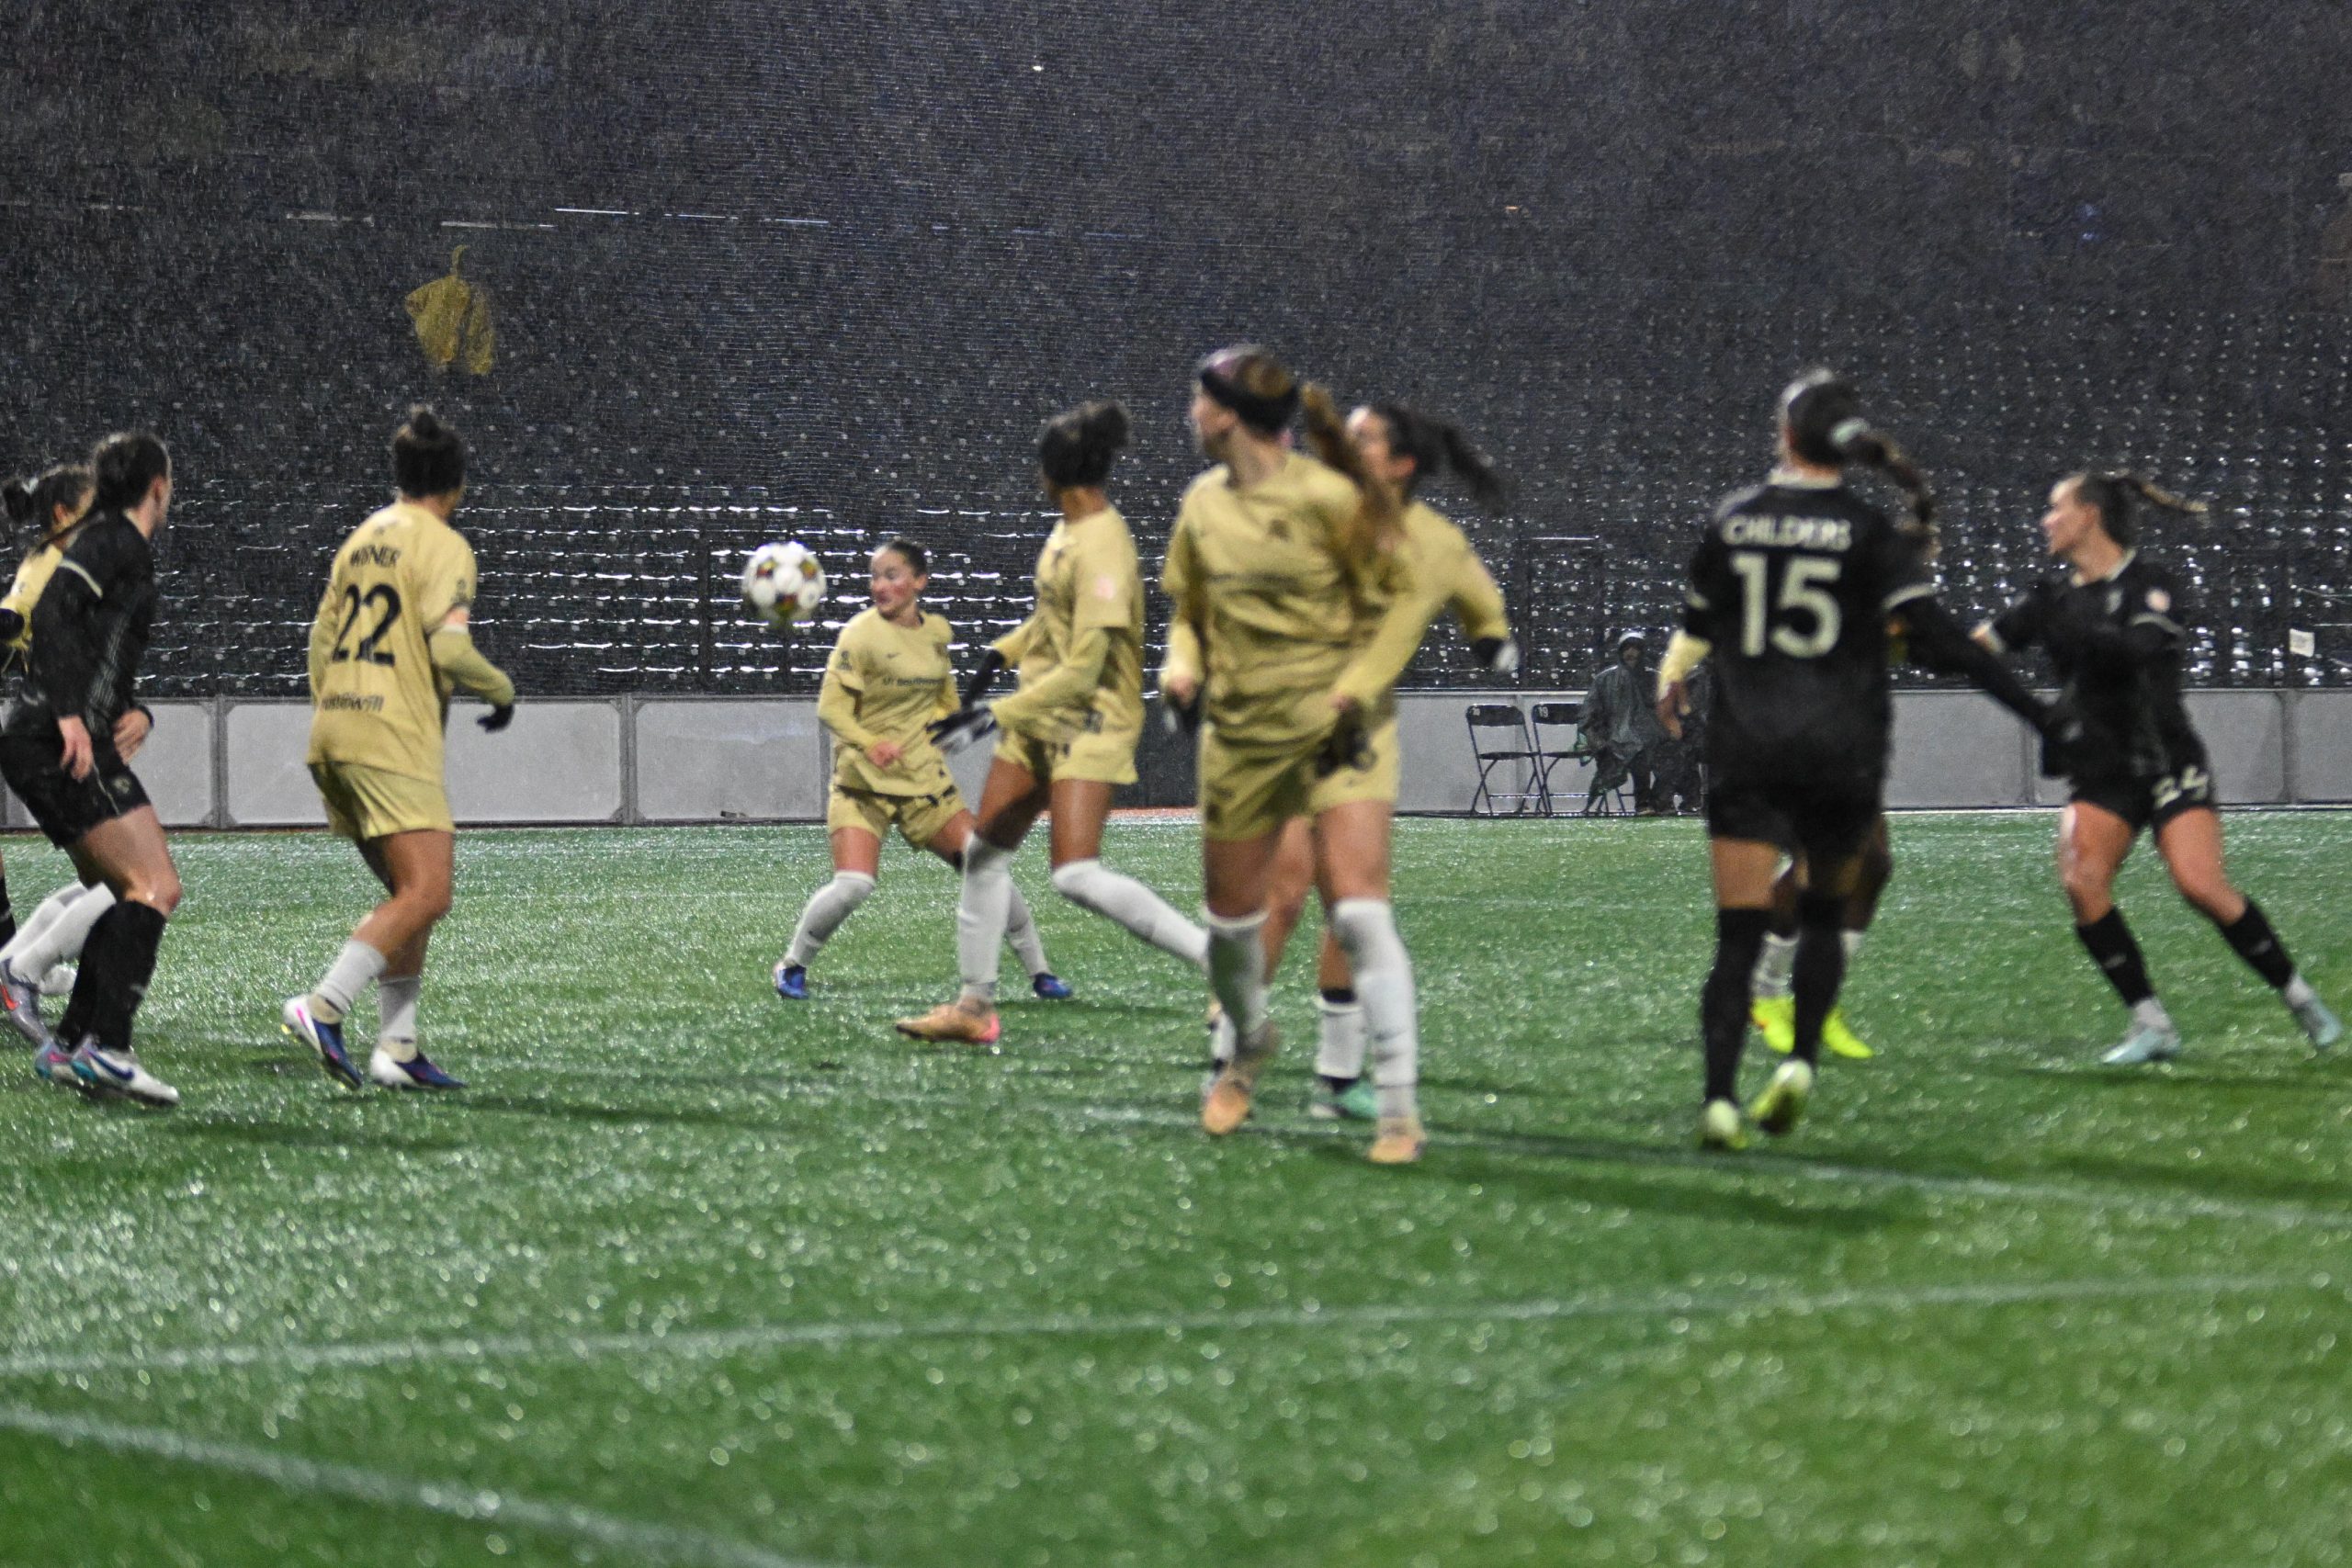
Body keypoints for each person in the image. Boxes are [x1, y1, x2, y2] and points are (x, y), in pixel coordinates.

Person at [1656, 371, 2052, 1150]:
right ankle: (1800, 1060)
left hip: (1747, 746)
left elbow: (1700, 623)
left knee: (1737, 936)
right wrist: (2039, 712)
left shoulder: (1733, 521)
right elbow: (1937, 641)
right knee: (1828, 911)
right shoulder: (1870, 532)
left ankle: (1717, 1099)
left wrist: (1675, 675)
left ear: (1784, 435)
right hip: (1839, 747)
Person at [1161, 345, 1428, 1164]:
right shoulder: (1201, 505)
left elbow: (1398, 603)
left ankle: (1396, 1103)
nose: (1190, 412)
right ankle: (1248, 1043)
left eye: (1199, 399)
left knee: (1358, 907)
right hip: (1244, 739)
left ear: (1227, 412)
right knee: (1237, 929)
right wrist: (1184, 661)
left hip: (1336, 734)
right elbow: (1188, 611)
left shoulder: (1328, 499)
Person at [1976, 470, 2341, 1064]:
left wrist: (2057, 622)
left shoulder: (2151, 583)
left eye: (2055, 508)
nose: (2045, 520)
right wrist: (1900, 632)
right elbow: (1975, 646)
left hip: (2166, 759)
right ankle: (2151, 1023)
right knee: (2081, 879)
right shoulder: (2053, 599)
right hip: (2104, 769)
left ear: (2089, 515)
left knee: (2200, 885)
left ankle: (2298, 995)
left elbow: (2136, 650)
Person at [895, 402, 1207, 1045]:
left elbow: (1086, 666)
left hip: (1089, 720)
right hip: (1041, 714)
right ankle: (974, 1006)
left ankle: (1221, 964)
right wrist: (1000, 653)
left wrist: (991, 713)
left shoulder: (1104, 548)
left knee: (1074, 872)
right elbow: (1051, 624)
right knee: (984, 854)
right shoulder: (1067, 530)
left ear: (1053, 472)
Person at [1243, 400, 1517, 1124]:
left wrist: (1491, 635)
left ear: (1400, 464)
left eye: (1364, 436)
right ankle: (1231, 1051)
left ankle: (1338, 1075)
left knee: (1351, 901)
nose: (1345, 442)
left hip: (1356, 736)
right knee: (1281, 896)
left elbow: (1470, 586)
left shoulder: (1429, 539)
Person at [281, 407, 517, 1091]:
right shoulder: (445, 545)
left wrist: (336, 713)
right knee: (430, 891)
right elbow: (448, 645)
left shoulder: (359, 540)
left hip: (335, 734)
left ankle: (399, 1048)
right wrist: (499, 689)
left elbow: (319, 644)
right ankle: (322, 1004)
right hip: (392, 738)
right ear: (458, 484)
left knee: (407, 894)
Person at [776, 537, 1063, 1010]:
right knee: (854, 884)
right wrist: (872, 743)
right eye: (875, 576)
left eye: (891, 575)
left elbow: (944, 696)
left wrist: (956, 726)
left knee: (984, 866)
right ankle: (792, 964)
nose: (880, 585)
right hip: (862, 784)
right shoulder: (859, 635)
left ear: (919, 582)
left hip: (924, 786)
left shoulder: (936, 634)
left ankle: (1041, 972)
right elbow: (830, 708)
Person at [0, 431, 182, 1105]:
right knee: (156, 884)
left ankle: (73, 1041)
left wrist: (133, 711)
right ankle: (107, 1046)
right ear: (156, 487)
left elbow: (95, 645)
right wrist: (73, 714)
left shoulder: (108, 541)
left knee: (125, 887)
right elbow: (52, 614)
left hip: (54, 735)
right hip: (58, 737)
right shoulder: (114, 541)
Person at [0, 464, 119, 1045]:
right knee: (132, 882)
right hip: (52, 734)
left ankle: (20, 962)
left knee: (114, 878)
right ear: (63, 515)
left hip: (52, 731)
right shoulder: (51, 564)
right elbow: (10, 620)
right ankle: (22, 968)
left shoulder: (61, 564)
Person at [1580, 632, 1668, 813]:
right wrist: (1596, 740)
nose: (1631, 653)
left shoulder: (1656, 679)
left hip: (1653, 738)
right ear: (1620, 652)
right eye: (1627, 648)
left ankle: (1662, 801)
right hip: (1614, 738)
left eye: (1636, 648)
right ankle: (1643, 803)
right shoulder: (1605, 680)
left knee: (1677, 753)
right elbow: (1588, 716)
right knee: (1639, 751)